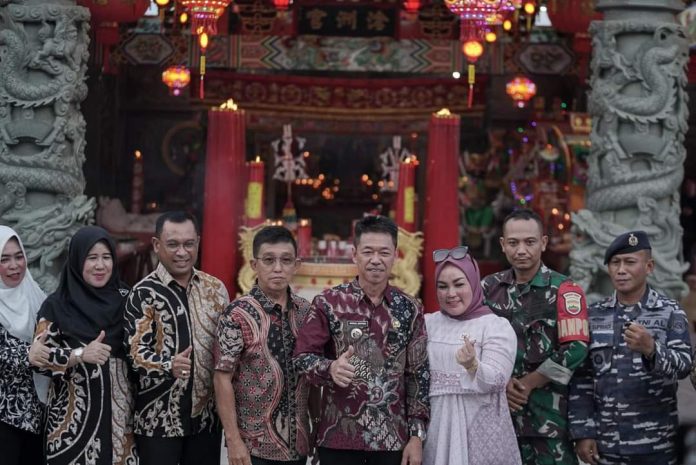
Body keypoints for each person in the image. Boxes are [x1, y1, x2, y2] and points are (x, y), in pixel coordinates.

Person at [294, 215, 430, 465]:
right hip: (338, 438)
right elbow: (301, 358)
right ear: (354, 254)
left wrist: (416, 437)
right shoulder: (328, 303)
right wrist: (330, 368)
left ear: (395, 255)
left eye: (384, 252)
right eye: (368, 252)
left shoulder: (410, 309)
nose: (376, 259)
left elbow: (418, 375)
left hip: (393, 439)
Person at [569, 230, 692, 465]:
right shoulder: (593, 315)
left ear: (649, 266)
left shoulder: (670, 312)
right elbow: (582, 378)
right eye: (615, 263)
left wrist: (652, 349)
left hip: (657, 443)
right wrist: (583, 432)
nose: (621, 270)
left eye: (630, 262)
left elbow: (684, 367)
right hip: (607, 444)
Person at [481, 209, 589, 465]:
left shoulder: (565, 289)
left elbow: (576, 348)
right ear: (502, 245)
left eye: (529, 242)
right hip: (499, 418)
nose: (521, 250)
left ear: (543, 242)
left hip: (549, 423)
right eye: (513, 243)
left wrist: (528, 383)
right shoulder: (488, 289)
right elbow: (474, 342)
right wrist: (503, 383)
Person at [124, 211, 229, 465]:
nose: (182, 252)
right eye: (173, 244)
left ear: (198, 242)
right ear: (156, 245)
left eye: (188, 244)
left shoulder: (215, 289)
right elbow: (133, 353)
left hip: (206, 421)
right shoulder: (142, 293)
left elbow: (228, 348)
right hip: (157, 421)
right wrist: (167, 364)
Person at [28, 225, 137, 465]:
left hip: (120, 424)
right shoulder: (56, 306)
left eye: (106, 257)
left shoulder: (127, 299)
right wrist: (79, 354)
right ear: (77, 260)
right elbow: (38, 359)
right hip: (71, 427)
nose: (100, 265)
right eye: (92, 257)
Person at [214, 225, 317, 465]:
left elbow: (312, 373)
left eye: (286, 260)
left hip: (298, 443)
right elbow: (221, 379)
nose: (278, 268)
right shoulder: (237, 314)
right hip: (254, 447)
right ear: (254, 264)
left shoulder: (306, 311)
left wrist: (317, 423)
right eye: (269, 260)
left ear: (296, 265)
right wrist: (233, 440)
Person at [423, 245, 521, 465]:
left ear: (474, 283)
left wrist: (473, 366)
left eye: (459, 284)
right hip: (435, 430)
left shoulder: (495, 326)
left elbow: (497, 380)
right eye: (442, 286)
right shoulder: (427, 323)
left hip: (480, 431)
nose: (451, 294)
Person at [0, 226, 48, 465]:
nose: (14, 265)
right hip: (4, 417)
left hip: (36, 415)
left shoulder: (35, 295)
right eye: (4, 259)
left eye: (19, 257)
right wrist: (28, 354)